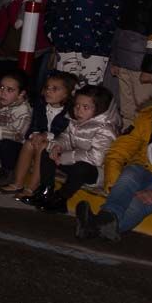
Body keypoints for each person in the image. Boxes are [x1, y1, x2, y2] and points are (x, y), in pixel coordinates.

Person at [77, 76, 152, 241]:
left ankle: (93, 227)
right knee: (130, 173)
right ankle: (105, 222)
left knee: (140, 203)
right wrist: (114, 183)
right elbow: (121, 149)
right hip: (144, 172)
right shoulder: (148, 118)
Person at [31, 85, 117, 213]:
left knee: (81, 168)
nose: (79, 111)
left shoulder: (105, 129)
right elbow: (66, 138)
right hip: (73, 160)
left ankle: (61, 198)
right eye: (77, 105)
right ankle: (46, 189)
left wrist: (65, 157)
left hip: (96, 171)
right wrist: (57, 146)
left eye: (85, 107)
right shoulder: (75, 121)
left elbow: (97, 158)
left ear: (99, 109)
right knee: (47, 152)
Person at [0, 71, 77, 190]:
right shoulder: (41, 105)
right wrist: (36, 134)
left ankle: (32, 188)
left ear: (67, 93)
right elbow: (35, 124)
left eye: (55, 89)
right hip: (42, 139)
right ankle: (17, 183)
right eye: (47, 87)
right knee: (29, 143)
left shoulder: (70, 111)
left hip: (60, 144)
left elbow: (63, 132)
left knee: (42, 146)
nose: (48, 91)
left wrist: (45, 136)